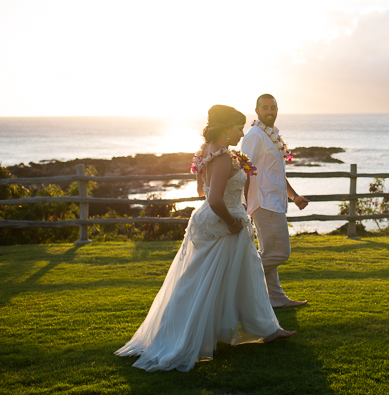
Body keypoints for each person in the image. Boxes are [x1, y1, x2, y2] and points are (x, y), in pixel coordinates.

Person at [115, 105, 295, 372]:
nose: (241, 133)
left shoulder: (207, 152)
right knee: (209, 280)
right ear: (225, 128)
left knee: (230, 276)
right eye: (238, 127)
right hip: (224, 223)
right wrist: (233, 221)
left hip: (212, 221)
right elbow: (214, 199)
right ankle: (193, 337)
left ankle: (266, 328)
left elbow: (203, 188)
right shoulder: (223, 157)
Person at [241, 94, 309, 308]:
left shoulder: (271, 135)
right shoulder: (255, 136)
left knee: (270, 252)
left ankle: (276, 298)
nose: (270, 111)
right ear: (257, 111)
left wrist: (294, 196)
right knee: (280, 253)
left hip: (275, 202)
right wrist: (241, 203)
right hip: (264, 203)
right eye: (265, 107)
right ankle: (237, 279)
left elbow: (276, 172)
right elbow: (244, 169)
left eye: (273, 107)